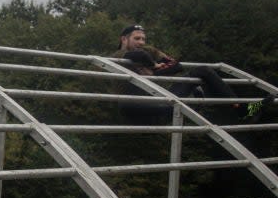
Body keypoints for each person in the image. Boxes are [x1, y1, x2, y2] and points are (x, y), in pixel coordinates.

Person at [111, 24, 274, 124]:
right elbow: (138, 57)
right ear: (124, 39)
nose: (141, 43)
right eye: (137, 38)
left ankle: (240, 109)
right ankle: (199, 101)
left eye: (143, 39)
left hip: (157, 99)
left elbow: (176, 65)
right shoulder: (118, 56)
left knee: (203, 71)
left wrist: (154, 68)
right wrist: (154, 65)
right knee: (192, 95)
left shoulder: (147, 50)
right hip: (133, 106)